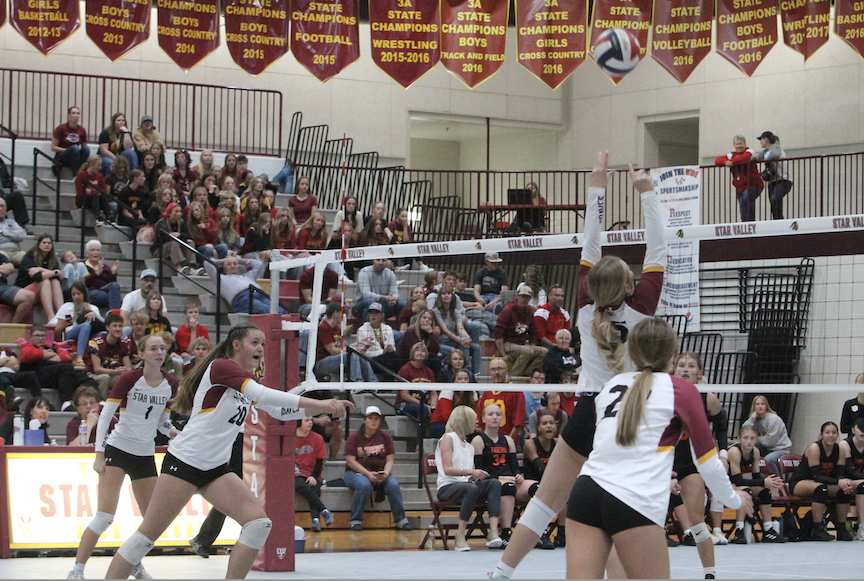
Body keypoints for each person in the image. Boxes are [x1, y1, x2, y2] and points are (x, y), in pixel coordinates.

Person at [491, 153, 664, 580]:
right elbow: (659, 245)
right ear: (630, 284)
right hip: (631, 414)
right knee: (624, 506)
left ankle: (501, 572)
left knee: (545, 501)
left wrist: (596, 186)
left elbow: (590, 242)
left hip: (590, 408)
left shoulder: (585, 307)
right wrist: (646, 191)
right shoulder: (643, 306)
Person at [104, 323, 352, 579]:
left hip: (215, 468)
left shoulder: (245, 381)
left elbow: (279, 410)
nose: (261, 348)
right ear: (236, 345)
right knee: (146, 537)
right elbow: (264, 395)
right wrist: (321, 401)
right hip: (186, 461)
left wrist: (325, 408)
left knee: (258, 524)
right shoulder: (221, 367)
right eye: (254, 342)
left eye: (263, 343)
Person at [564, 318, 749, 579]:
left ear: (632, 352)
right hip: (633, 498)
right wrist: (735, 498)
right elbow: (708, 462)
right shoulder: (682, 390)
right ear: (674, 353)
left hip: (586, 492)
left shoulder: (610, 386)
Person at [67, 340, 175, 576]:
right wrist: (99, 454)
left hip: (144, 455)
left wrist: (174, 432)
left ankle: (132, 561)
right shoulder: (129, 379)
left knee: (152, 522)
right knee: (104, 516)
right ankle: (76, 570)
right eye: (153, 348)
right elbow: (105, 415)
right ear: (141, 354)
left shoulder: (171, 384)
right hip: (118, 450)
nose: (159, 352)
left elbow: (162, 422)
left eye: (162, 348)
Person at [436, 405, 504, 551]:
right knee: (471, 489)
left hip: (466, 485)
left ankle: (493, 532)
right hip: (447, 486)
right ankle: (460, 535)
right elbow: (447, 469)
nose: (476, 422)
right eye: (474, 419)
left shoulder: (469, 446)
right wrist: (470, 472)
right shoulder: (448, 438)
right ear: (465, 420)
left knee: (494, 484)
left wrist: (477, 475)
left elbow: (471, 474)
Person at [473, 402, 539, 547]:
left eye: (498, 414)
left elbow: (514, 467)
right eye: (490, 414)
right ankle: (506, 532)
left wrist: (518, 475)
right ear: (483, 418)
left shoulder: (508, 440)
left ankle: (537, 531)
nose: (494, 417)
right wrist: (500, 478)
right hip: (491, 483)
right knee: (508, 486)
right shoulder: (478, 441)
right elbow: (479, 472)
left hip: (510, 479)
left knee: (536, 488)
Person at [343, 406, 411, 531]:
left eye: (376, 418)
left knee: (394, 485)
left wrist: (386, 473)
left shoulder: (385, 437)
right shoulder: (354, 437)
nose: (373, 421)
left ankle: (401, 520)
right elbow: (351, 461)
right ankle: (356, 520)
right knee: (364, 485)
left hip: (380, 471)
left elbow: (390, 460)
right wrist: (368, 474)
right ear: (364, 420)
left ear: (380, 421)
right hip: (356, 472)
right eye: (370, 418)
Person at [788, 421, 854, 541]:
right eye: (827, 432)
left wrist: (843, 482)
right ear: (822, 435)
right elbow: (816, 476)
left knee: (844, 490)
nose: (831, 435)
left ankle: (841, 528)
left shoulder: (840, 449)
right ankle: (818, 529)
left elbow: (839, 474)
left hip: (823, 482)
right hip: (801, 482)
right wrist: (838, 482)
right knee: (821, 489)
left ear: (837, 435)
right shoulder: (815, 448)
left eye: (834, 433)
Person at [727, 425, 786, 544]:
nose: (749, 441)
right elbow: (737, 481)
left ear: (757, 440)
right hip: (726, 484)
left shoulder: (755, 452)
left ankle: (768, 530)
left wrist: (771, 483)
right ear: (739, 439)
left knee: (765, 492)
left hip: (737, 484)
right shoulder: (734, 451)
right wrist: (764, 481)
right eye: (745, 438)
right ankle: (739, 530)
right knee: (745, 491)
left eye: (752, 438)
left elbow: (756, 477)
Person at [19, 324, 94, 404]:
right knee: (67, 368)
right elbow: (31, 354)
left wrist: (46, 356)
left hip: (54, 375)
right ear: (30, 337)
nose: (40, 338)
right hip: (37, 375)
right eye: (37, 335)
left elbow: (66, 357)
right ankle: (66, 403)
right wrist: (53, 355)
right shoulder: (26, 347)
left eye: (43, 335)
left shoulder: (51, 348)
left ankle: (98, 402)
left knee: (85, 378)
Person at [522, 411, 561, 549]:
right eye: (544, 423)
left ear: (555, 427)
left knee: (566, 491)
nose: (548, 426)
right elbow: (540, 467)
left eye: (551, 423)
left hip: (550, 483)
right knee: (540, 489)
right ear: (538, 427)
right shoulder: (530, 444)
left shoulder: (558, 443)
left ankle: (561, 535)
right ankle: (541, 534)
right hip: (530, 484)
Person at [312, 302, 375, 383]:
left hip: (336, 359)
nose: (344, 315)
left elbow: (344, 347)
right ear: (335, 314)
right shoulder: (324, 328)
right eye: (342, 312)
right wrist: (353, 348)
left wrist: (359, 343)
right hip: (322, 363)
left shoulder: (337, 329)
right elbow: (333, 351)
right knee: (353, 353)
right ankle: (356, 381)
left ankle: (373, 382)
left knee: (359, 354)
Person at [203, 255, 286, 315]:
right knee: (272, 312)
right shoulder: (221, 279)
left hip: (261, 295)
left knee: (283, 311)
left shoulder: (247, 276)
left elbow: (258, 264)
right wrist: (223, 260)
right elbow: (207, 263)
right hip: (243, 299)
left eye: (235, 264)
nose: (232, 266)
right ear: (224, 267)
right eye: (229, 264)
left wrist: (238, 260)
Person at [50, 280, 104, 371]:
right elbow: (56, 331)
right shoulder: (66, 307)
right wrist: (64, 325)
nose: (76, 297)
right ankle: (79, 358)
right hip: (71, 333)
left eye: (78, 294)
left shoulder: (93, 308)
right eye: (73, 294)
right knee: (85, 326)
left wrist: (93, 315)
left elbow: (103, 325)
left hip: (90, 334)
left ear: (84, 294)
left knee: (103, 333)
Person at [494, 286, 547, 377]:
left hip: (521, 345)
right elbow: (498, 332)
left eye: (527, 297)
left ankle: (528, 374)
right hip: (506, 344)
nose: (524, 299)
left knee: (544, 351)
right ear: (517, 296)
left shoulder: (529, 311)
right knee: (527, 351)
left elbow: (533, 332)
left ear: (530, 299)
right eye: (522, 296)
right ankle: (512, 378)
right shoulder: (508, 310)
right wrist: (503, 353)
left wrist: (533, 346)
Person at [294, 416, 334, 533]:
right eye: (307, 420)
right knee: (300, 485)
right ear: (299, 422)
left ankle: (315, 520)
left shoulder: (318, 438)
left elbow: (320, 461)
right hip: (296, 474)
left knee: (315, 488)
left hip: (312, 473)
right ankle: (324, 511)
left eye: (311, 420)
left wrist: (313, 476)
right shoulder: (290, 438)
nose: (310, 422)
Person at [477, 357, 526, 444]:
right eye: (493, 369)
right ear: (489, 372)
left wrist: (507, 443)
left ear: (507, 370)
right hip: (488, 443)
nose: (497, 372)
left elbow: (518, 423)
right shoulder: (487, 391)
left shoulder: (516, 391)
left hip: (509, 442)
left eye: (500, 369)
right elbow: (481, 420)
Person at [15, 234, 65, 321]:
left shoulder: (52, 258)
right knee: (45, 281)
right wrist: (54, 272)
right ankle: (51, 316)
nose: (47, 245)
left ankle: (61, 313)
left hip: (44, 292)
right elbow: (36, 277)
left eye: (49, 243)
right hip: (24, 290)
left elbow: (59, 277)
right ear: (39, 244)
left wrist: (41, 269)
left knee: (55, 281)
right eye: (44, 242)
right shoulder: (30, 256)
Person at [715, 135, 763, 222]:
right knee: (743, 204)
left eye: (741, 144)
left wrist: (730, 162)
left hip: (754, 184)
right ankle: (747, 222)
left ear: (745, 144)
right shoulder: (731, 155)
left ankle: (748, 222)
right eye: (737, 144)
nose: (739, 146)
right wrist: (725, 162)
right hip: (740, 187)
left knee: (745, 199)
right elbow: (717, 160)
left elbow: (743, 158)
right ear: (734, 145)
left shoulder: (750, 151)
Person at [88, 313, 138, 398]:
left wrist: (123, 371)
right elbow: (97, 369)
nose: (118, 329)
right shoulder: (95, 343)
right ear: (107, 327)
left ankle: (120, 404)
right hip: (93, 374)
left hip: (112, 374)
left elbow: (128, 368)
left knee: (124, 378)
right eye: (114, 326)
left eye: (120, 326)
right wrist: (116, 371)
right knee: (105, 378)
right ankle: (102, 403)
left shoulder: (124, 343)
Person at [432, 287, 480, 374]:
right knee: (461, 343)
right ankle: (465, 369)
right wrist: (460, 340)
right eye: (443, 294)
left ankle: (476, 374)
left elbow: (460, 328)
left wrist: (467, 338)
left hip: (454, 340)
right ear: (440, 297)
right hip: (442, 341)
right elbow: (445, 330)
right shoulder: (436, 311)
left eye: (448, 293)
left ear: (452, 296)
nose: (446, 296)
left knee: (476, 347)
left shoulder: (455, 312)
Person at [742, 394, 792, 477]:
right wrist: (752, 417)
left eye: (762, 404)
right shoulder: (756, 419)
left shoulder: (773, 419)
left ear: (766, 406)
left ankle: (777, 479)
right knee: (748, 450)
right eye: (757, 404)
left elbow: (770, 442)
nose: (760, 406)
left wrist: (758, 438)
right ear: (754, 407)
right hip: (766, 448)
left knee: (768, 460)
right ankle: (756, 478)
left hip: (780, 449)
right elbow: (744, 430)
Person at [396, 343, 437, 425]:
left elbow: (433, 393)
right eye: (417, 350)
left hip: (423, 404)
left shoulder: (428, 371)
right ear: (412, 353)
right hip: (404, 404)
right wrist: (423, 404)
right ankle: (421, 432)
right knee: (423, 409)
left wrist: (433, 405)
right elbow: (404, 395)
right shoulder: (405, 370)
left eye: (423, 351)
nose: (420, 353)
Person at [756, 131, 793, 220]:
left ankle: (780, 221)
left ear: (766, 139)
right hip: (772, 182)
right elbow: (759, 157)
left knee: (775, 199)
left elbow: (774, 154)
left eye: (761, 139)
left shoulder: (776, 148)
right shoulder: (766, 151)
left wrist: (765, 160)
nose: (760, 142)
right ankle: (777, 221)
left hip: (783, 180)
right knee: (774, 204)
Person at [839, 417, 864, 540]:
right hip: (844, 480)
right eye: (861, 429)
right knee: (863, 485)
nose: (863, 432)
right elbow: (851, 472)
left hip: (859, 481)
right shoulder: (845, 445)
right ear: (853, 430)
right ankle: (862, 527)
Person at [154, 203, 198, 273]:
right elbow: (166, 237)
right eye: (176, 211)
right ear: (169, 213)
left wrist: (179, 235)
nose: (179, 214)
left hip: (177, 247)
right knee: (173, 243)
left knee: (191, 243)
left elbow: (189, 236)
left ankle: (191, 267)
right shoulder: (161, 223)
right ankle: (179, 267)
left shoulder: (181, 223)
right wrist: (181, 237)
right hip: (161, 249)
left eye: (180, 211)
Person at [429, 373, 476, 438]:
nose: (463, 381)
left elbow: (476, 412)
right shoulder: (447, 391)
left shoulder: (473, 392)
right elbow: (446, 416)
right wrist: (465, 425)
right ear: (454, 381)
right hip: (441, 423)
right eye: (459, 379)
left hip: (464, 424)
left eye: (466, 379)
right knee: (458, 432)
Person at [397, 308, 442, 376]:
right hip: (409, 358)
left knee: (436, 361)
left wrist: (430, 333)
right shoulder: (411, 331)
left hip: (423, 357)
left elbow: (436, 349)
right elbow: (416, 351)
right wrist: (433, 354)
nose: (426, 320)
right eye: (424, 317)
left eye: (429, 319)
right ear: (419, 319)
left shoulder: (430, 332)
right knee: (433, 359)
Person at [81, 239, 122, 310]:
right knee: (113, 298)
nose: (95, 252)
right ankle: (114, 312)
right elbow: (83, 283)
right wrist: (96, 273)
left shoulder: (105, 267)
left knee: (115, 286)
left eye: (98, 250)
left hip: (104, 290)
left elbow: (111, 284)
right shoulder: (82, 265)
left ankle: (113, 314)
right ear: (87, 253)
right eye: (92, 250)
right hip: (90, 292)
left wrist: (113, 273)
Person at [52, 106, 90, 175]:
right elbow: (53, 147)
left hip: (76, 155)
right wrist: (68, 150)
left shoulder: (82, 130)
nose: (76, 115)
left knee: (86, 149)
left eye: (78, 113)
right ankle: (76, 174)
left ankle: (83, 172)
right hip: (63, 155)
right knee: (75, 148)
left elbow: (84, 147)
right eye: (73, 113)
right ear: (69, 115)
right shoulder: (61, 128)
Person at [98, 112, 138, 176]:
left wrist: (126, 133)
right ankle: (109, 180)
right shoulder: (105, 133)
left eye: (123, 120)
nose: (121, 122)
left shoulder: (126, 133)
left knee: (131, 152)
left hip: (120, 155)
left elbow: (128, 147)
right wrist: (116, 159)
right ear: (114, 122)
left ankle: (134, 175)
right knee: (110, 163)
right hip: (106, 156)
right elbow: (104, 150)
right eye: (119, 120)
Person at [0, 251, 34, 324]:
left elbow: (10, 268)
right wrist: (2, 269)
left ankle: (13, 326)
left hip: (2, 287)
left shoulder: (0, 256)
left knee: (29, 296)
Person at [534, 285, 570, 349]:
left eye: (562, 296)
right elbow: (541, 337)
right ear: (549, 296)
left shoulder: (565, 314)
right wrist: (554, 345)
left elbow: (567, 334)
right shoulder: (541, 312)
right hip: (544, 346)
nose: (560, 298)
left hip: (560, 346)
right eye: (557, 295)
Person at [0, 197, 28, 265]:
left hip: (16, 253)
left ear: (6, 208)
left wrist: (3, 232)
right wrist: (14, 236)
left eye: (2, 206)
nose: (0, 209)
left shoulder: (11, 222)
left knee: (30, 257)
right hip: (1, 252)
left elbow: (22, 235)